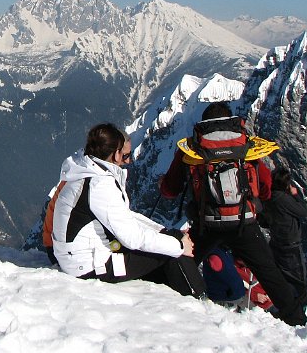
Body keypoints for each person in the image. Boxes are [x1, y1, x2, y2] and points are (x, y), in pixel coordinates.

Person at [159, 102, 307, 326]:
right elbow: (265, 186)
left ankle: (166, 304)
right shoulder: (245, 146)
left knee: (183, 258)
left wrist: (165, 183)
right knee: (269, 271)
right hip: (243, 223)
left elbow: (170, 189)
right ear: (230, 120)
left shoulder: (192, 148)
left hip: (206, 223)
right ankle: (296, 319)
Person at [50, 123, 206, 297]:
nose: (129, 161)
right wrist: (178, 245)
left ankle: (183, 292)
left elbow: (125, 216)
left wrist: (163, 232)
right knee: (172, 251)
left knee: (169, 242)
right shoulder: (100, 184)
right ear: (116, 154)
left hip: (78, 258)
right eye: (126, 155)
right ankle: (198, 298)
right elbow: (132, 238)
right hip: (91, 266)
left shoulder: (86, 172)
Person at [262, 167, 307, 314]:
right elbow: (303, 212)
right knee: (302, 287)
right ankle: (297, 315)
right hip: (291, 247)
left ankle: (285, 310)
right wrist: (296, 196)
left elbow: (264, 221)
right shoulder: (283, 199)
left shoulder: (269, 199)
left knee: (284, 282)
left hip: (276, 244)